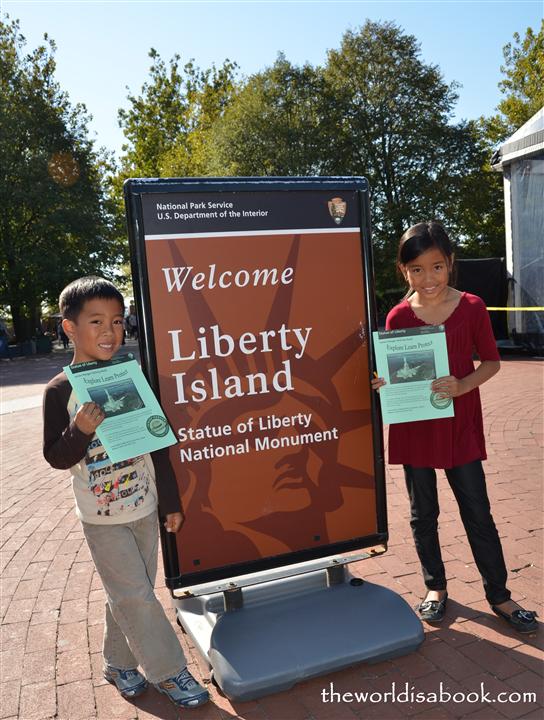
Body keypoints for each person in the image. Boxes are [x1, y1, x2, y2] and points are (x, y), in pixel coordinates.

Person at [42, 276, 210, 709]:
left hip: (143, 505)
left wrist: (169, 501)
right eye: (96, 321)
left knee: (129, 592)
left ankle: (117, 663)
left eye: (117, 321)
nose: (109, 332)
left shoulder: (130, 377)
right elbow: (57, 457)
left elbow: (157, 443)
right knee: (135, 593)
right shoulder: (60, 390)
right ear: (69, 328)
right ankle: (170, 671)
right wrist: (78, 430)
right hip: (101, 518)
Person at [372, 221, 538, 634]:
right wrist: (383, 383)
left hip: (460, 427)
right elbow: (397, 373)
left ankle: (499, 595)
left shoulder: (473, 307)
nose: (427, 278)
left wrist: (463, 385)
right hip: (415, 428)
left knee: (477, 511)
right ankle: (436, 588)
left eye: (436, 267)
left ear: (450, 264)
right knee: (422, 512)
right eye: (416, 270)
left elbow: (492, 362)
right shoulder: (397, 317)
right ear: (403, 271)